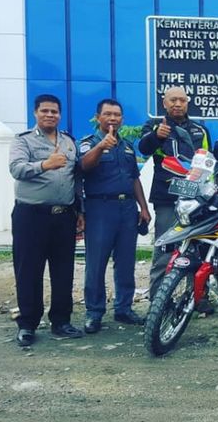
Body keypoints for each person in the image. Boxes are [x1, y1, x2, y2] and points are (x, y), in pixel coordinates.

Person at [9, 94, 85, 346]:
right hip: (31, 216)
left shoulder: (69, 142)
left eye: (54, 111)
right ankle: (28, 324)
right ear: (36, 113)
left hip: (64, 216)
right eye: (45, 111)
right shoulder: (23, 141)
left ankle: (61, 321)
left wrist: (79, 211)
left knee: (63, 271)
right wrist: (45, 164)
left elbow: (76, 178)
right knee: (28, 270)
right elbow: (17, 169)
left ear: (60, 114)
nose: (50, 115)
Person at [79, 99, 152, 333]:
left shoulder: (127, 146)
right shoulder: (89, 143)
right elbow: (82, 167)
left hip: (127, 209)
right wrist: (101, 147)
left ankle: (124, 308)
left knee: (125, 262)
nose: (113, 118)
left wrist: (143, 207)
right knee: (96, 263)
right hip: (100, 208)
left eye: (117, 115)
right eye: (108, 114)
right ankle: (94, 312)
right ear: (98, 117)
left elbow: (134, 178)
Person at [139, 86, 199, 308]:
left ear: (187, 102)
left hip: (195, 200)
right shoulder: (155, 126)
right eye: (172, 100)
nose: (177, 104)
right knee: (165, 251)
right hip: (166, 198)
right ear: (164, 103)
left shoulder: (199, 130)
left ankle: (196, 299)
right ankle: (158, 303)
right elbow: (143, 148)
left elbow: (206, 160)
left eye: (181, 100)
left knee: (197, 250)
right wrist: (156, 136)